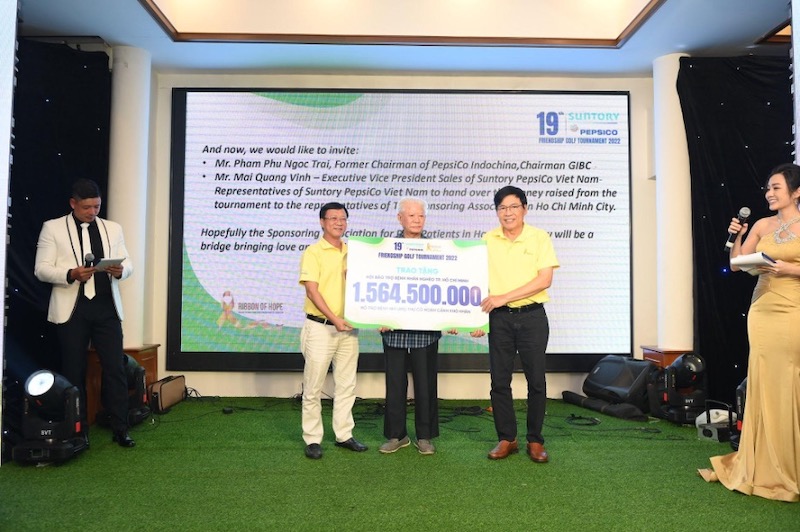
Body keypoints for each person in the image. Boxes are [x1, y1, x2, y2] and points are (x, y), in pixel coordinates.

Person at [699, 163, 800, 502]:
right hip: (762, 309)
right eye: (768, 188)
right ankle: (761, 461)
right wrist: (738, 237)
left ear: (796, 192)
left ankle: (790, 461)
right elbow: (736, 263)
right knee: (763, 379)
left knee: (790, 379)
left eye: (776, 188)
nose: (769, 193)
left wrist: (789, 268)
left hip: (794, 308)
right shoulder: (761, 224)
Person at [34, 178, 135, 447]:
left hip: (106, 307)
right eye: (87, 207)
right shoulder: (53, 228)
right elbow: (41, 269)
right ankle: (78, 430)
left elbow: (129, 263)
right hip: (73, 310)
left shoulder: (113, 228)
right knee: (73, 370)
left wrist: (121, 270)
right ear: (73, 203)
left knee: (115, 368)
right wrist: (70, 273)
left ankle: (121, 427)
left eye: (97, 207)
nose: (92, 212)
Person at [471, 185, 559, 462]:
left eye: (513, 207)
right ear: (497, 212)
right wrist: (476, 318)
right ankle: (507, 438)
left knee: (536, 381)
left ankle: (535, 440)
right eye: (502, 208)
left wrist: (503, 297)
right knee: (499, 381)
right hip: (499, 319)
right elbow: (476, 280)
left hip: (532, 317)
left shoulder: (539, 237)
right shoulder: (487, 240)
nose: (508, 213)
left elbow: (544, 279)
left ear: (525, 209)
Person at [298, 202, 367, 459]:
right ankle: (313, 439)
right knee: (313, 386)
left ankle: (344, 434)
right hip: (320, 328)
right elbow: (312, 291)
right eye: (333, 218)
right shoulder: (313, 252)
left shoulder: (354, 252)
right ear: (322, 222)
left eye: (343, 218)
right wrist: (334, 319)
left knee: (347, 384)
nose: (339, 222)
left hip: (349, 328)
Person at [378, 198, 443, 455]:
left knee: (425, 384)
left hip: (425, 331)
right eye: (412, 215)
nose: (417, 220)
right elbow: (376, 283)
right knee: (395, 384)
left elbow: (445, 284)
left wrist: (451, 318)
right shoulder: (384, 248)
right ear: (400, 218)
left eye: (421, 216)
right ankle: (397, 435)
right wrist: (376, 316)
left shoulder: (437, 249)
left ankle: (424, 436)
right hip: (392, 330)